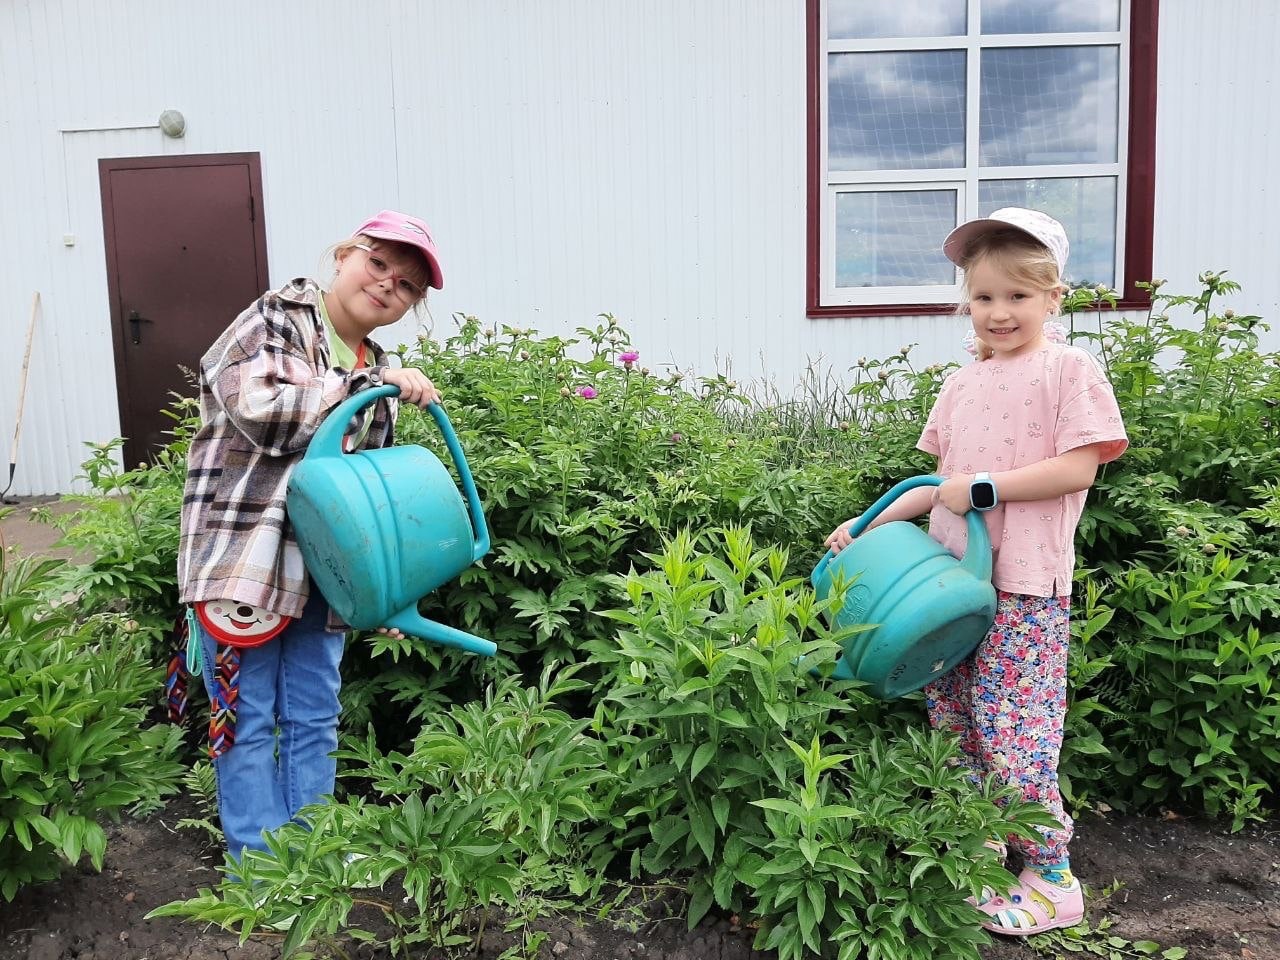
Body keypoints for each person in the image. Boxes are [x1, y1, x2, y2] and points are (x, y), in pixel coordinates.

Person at [825, 208, 1127, 936]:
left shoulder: (1068, 370)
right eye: (984, 296)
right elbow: (940, 486)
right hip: (949, 590)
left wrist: (985, 488)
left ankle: (1053, 876)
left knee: (1015, 730)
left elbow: (1077, 466)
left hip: (1023, 588)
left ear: (1054, 297)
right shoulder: (962, 385)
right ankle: (980, 852)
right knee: (955, 721)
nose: (999, 312)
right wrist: (868, 525)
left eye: (1018, 297)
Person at [174, 210, 445, 861]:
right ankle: (257, 870)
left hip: (319, 574)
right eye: (378, 264)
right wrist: (366, 384)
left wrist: (379, 590)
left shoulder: (374, 366)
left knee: (314, 717)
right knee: (246, 720)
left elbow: (364, 495)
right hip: (247, 564)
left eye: (405, 285)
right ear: (345, 255)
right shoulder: (276, 318)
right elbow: (260, 410)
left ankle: (310, 862)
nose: (386, 285)